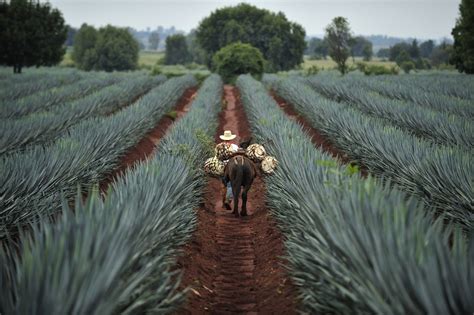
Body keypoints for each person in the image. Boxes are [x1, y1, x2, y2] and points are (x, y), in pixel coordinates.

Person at [217, 130, 242, 209]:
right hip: (233, 167)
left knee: (223, 185)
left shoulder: (219, 147)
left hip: (222, 167)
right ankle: (228, 200)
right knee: (230, 185)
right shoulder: (234, 147)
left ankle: (223, 202)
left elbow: (217, 157)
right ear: (231, 139)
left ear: (224, 138)